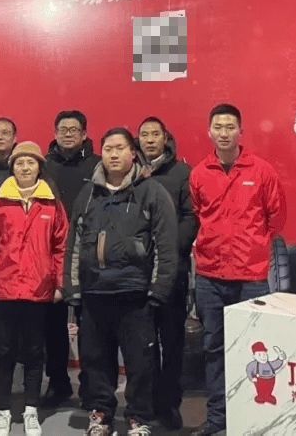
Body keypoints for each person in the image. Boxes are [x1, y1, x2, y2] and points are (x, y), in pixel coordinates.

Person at [64, 127, 177, 436]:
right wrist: (72, 288)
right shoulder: (88, 194)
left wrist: (158, 289)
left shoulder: (152, 191)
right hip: (95, 291)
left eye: (119, 148)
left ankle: (139, 417)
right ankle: (100, 414)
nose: (113, 154)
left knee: (140, 363)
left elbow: (166, 245)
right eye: (108, 149)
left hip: (136, 293)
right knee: (95, 360)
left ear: (132, 153)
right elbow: (74, 244)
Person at [189, 104, 287, 436]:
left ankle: (252, 419)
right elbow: (198, 214)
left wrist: (252, 245)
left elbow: (276, 218)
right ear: (209, 132)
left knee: (254, 352)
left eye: (230, 127)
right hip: (210, 278)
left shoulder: (261, 171)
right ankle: (218, 419)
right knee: (214, 349)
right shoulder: (199, 173)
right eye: (218, 127)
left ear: (240, 131)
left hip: (251, 278)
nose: (224, 133)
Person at [0, 142, 68, 436]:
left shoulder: (52, 203)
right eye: (19, 163)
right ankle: (3, 411)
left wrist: (59, 283)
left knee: (34, 353)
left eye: (30, 162)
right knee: (3, 352)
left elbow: (61, 247)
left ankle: (31, 410)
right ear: (12, 168)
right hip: (3, 291)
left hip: (38, 291)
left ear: (40, 167)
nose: (25, 167)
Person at [136, 117, 197, 432]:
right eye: (144, 134)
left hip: (172, 270)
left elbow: (191, 217)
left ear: (165, 138)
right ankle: (144, 404)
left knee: (172, 342)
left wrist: (168, 250)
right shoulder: (130, 173)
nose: (149, 139)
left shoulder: (182, 173)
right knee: (142, 344)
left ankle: (169, 405)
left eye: (155, 134)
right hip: (137, 272)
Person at [41, 110, 100, 408]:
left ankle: (90, 386)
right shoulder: (43, 166)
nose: (67, 134)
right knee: (53, 326)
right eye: (62, 129)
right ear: (55, 133)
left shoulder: (98, 165)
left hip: (87, 254)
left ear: (84, 134)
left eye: (73, 129)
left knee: (89, 326)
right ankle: (58, 384)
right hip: (51, 255)